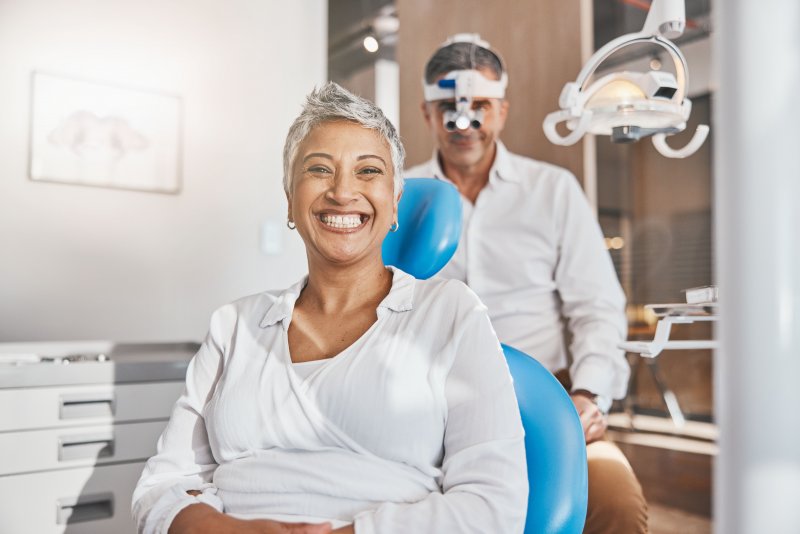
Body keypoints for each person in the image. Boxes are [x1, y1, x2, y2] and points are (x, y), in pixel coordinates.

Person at [131, 82, 528, 534]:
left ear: (395, 202)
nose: (343, 192)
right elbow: (161, 487)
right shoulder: (234, 326)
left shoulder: (450, 313)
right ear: (290, 200)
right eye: (319, 169)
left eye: (368, 171)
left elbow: (494, 505)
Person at [406, 34, 649, 533]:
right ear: (428, 114)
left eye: (480, 105)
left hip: (549, 404)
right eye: (448, 106)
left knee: (616, 506)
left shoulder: (553, 191)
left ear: (503, 110)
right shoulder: (399, 197)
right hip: (430, 406)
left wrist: (587, 395)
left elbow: (597, 306)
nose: (464, 120)